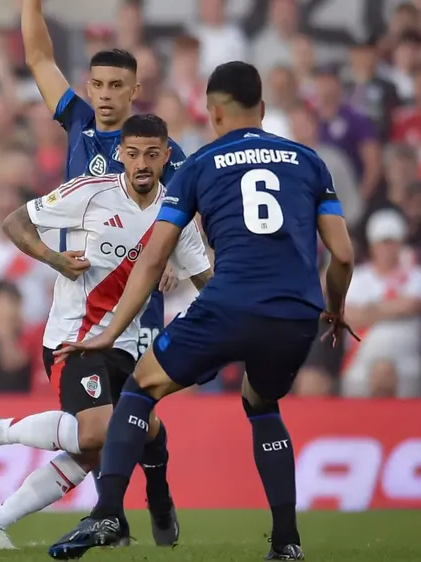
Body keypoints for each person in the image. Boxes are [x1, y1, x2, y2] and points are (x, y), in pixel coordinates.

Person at [47, 62, 356, 561]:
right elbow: (342, 255)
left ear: (214, 114)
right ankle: (286, 542)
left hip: (229, 303)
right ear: (263, 108)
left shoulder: (199, 165)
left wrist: (109, 333)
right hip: (296, 312)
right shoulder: (309, 161)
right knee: (261, 402)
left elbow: (151, 259)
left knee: (142, 387)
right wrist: (335, 309)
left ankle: (106, 513)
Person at [0, 114, 212, 549]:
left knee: (107, 445)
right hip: (76, 337)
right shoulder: (90, 194)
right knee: (97, 434)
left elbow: (207, 282)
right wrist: (53, 258)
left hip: (127, 348)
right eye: (133, 154)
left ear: (166, 156)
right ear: (121, 156)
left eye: (152, 153)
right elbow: (15, 221)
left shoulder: (177, 215)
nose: (142, 162)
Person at [19, 0, 185, 541]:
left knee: (143, 419)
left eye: (118, 85)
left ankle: (154, 495)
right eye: (99, 85)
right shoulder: (79, 123)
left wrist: (170, 258)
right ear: (89, 90)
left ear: (135, 90)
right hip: (80, 299)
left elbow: (191, 214)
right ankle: (114, 514)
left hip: (137, 304)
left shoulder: (163, 150)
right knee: (102, 420)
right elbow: (39, 56)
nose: (107, 95)